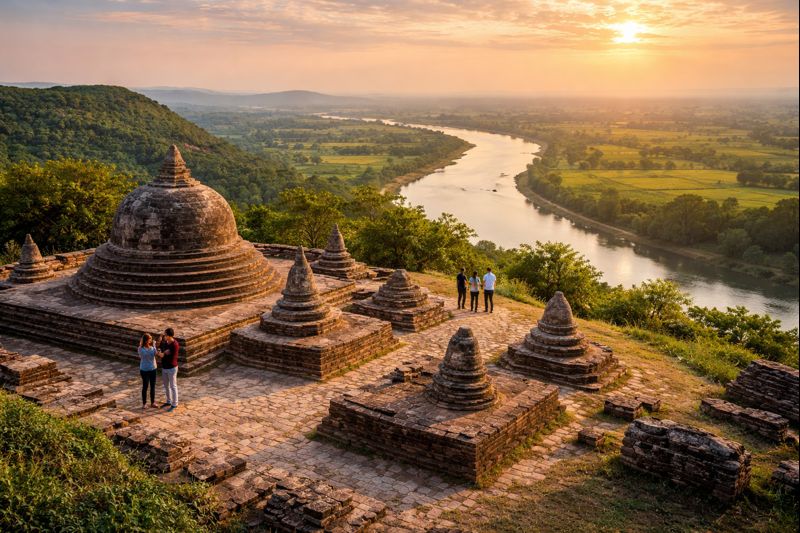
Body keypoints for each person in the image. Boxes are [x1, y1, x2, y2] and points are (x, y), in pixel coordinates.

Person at [158, 327, 180, 412]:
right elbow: (161, 350)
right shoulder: (165, 343)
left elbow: (164, 355)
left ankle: (175, 403)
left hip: (172, 368)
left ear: (169, 335)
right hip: (165, 367)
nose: (164, 336)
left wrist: (161, 354)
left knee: (173, 386)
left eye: (165, 335)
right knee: (166, 386)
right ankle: (168, 401)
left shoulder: (174, 345)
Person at [137, 333, 158, 410]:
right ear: (146, 340)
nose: (151, 341)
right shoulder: (140, 348)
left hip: (153, 368)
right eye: (150, 339)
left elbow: (156, 354)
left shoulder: (152, 348)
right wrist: (152, 348)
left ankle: (152, 402)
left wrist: (154, 346)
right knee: (145, 386)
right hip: (144, 369)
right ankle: (144, 403)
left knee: (153, 386)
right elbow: (144, 355)